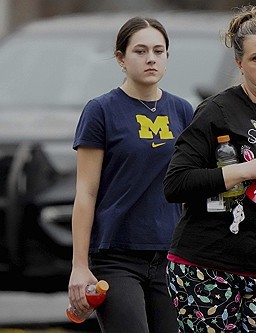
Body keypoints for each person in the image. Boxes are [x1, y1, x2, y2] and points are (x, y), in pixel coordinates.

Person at [163, 5, 256, 333]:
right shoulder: (217, 112)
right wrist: (245, 170)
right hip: (208, 265)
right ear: (239, 64)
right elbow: (175, 183)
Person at [68, 16, 193, 333]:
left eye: (159, 50)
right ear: (121, 59)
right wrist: (79, 266)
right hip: (116, 256)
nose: (151, 58)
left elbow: (194, 185)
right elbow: (86, 193)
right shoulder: (101, 110)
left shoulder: (183, 111)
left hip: (171, 255)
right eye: (140, 51)